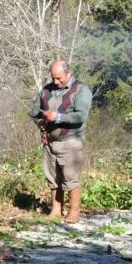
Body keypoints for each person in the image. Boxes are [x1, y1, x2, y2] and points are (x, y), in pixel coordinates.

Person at [31, 60, 92, 224]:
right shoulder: (46, 90)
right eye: (53, 78)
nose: (56, 81)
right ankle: (56, 210)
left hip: (71, 141)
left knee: (71, 179)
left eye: (59, 78)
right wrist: (40, 122)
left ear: (68, 73)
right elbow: (35, 111)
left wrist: (57, 117)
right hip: (50, 142)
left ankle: (74, 212)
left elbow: (81, 116)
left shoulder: (81, 90)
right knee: (53, 177)